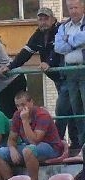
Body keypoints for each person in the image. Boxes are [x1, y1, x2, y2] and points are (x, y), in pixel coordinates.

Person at [0, 8, 75, 149]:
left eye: (46, 18)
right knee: (68, 110)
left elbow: (58, 50)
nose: (42, 22)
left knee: (64, 109)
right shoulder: (38, 34)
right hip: (58, 79)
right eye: (40, 19)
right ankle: (69, 144)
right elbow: (26, 52)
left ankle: (59, 144)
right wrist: (10, 66)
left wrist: (50, 62)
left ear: (53, 19)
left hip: (69, 76)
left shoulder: (60, 30)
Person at [0, 91, 65, 180]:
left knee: (28, 150)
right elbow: (12, 139)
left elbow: (34, 140)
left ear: (31, 102)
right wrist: (12, 149)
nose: (20, 108)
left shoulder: (42, 115)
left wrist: (24, 121)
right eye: (17, 106)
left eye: (23, 105)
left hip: (51, 147)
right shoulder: (17, 115)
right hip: (28, 146)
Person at [54, 0, 85, 148]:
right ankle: (81, 144)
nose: (73, 11)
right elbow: (58, 47)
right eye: (70, 8)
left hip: (84, 69)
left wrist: (69, 40)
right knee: (76, 109)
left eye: (76, 7)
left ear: (83, 7)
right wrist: (76, 42)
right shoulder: (64, 26)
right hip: (70, 72)